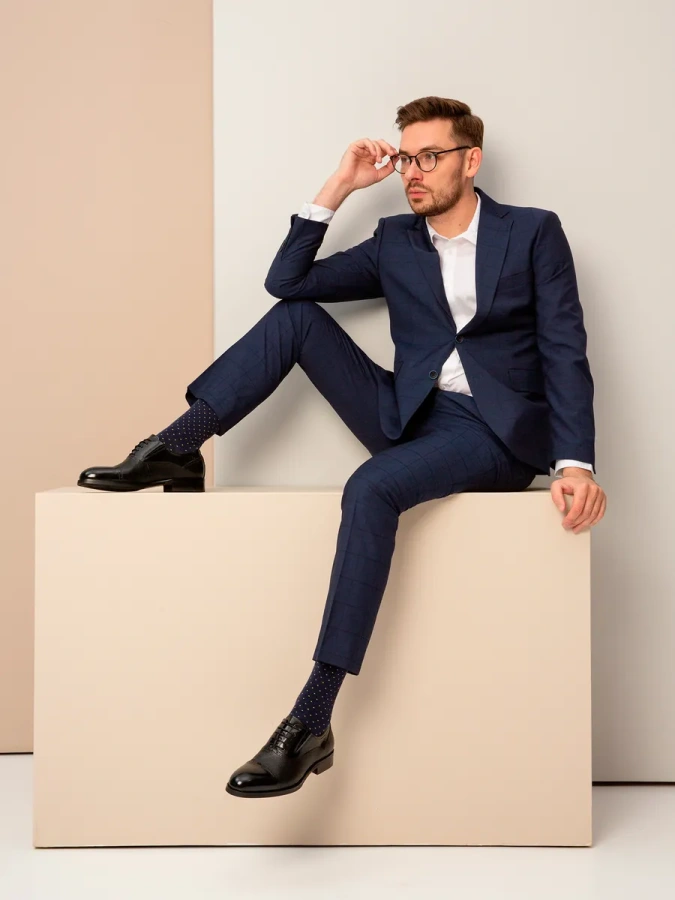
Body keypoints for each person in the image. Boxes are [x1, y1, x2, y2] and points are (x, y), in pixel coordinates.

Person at [77, 96, 607, 799]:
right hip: (405, 413)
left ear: (470, 160)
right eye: (406, 158)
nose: (412, 172)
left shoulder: (532, 232)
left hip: (492, 434)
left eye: (430, 157)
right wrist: (340, 185)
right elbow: (286, 281)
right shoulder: (395, 240)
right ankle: (175, 445)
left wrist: (575, 463)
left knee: (370, 487)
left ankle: (311, 718)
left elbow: (564, 349)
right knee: (295, 317)